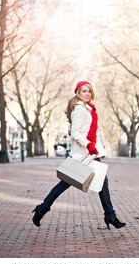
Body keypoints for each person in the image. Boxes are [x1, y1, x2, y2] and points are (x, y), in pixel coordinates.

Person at [32, 81, 126, 230]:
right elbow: (75, 132)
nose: (87, 94)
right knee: (64, 184)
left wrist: (92, 146)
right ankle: (41, 209)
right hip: (84, 154)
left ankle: (110, 215)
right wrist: (89, 145)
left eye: (89, 91)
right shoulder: (80, 109)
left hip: (91, 153)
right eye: (84, 91)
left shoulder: (87, 108)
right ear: (78, 93)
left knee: (102, 183)